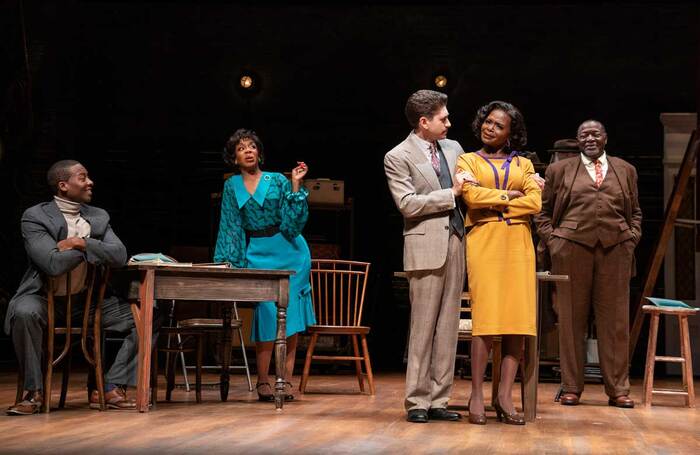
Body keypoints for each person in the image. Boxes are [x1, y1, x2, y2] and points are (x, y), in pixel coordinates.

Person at [6, 160, 147, 414]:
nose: (90, 182)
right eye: (83, 178)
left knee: (148, 314)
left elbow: (119, 255)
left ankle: (109, 385)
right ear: (63, 185)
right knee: (24, 312)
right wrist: (95, 249)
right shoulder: (35, 216)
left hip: (87, 304)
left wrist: (79, 243)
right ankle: (33, 392)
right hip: (44, 298)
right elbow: (51, 263)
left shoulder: (98, 216)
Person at [534, 120, 641, 408]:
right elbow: (542, 213)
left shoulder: (625, 169)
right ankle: (571, 386)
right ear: (577, 141)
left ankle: (618, 389)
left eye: (596, 134)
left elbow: (636, 212)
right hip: (571, 250)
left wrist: (631, 238)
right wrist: (555, 243)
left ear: (606, 138)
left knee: (615, 322)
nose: (590, 138)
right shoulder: (559, 170)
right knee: (571, 320)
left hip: (615, 249)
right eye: (584, 135)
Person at [384, 89, 473, 423]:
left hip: (455, 241)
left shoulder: (453, 148)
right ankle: (417, 401)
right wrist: (451, 194)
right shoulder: (398, 155)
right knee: (422, 327)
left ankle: (440, 398)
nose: (449, 122)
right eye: (443, 118)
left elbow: (471, 187)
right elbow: (407, 204)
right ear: (424, 121)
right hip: (424, 246)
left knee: (448, 325)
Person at [214, 128, 315, 402]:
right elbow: (230, 227)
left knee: (290, 319)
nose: (248, 150)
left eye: (252, 146)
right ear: (234, 158)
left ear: (259, 153)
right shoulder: (231, 186)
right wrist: (228, 263)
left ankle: (285, 382)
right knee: (267, 315)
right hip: (258, 253)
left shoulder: (277, 181)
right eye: (241, 148)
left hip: (291, 251)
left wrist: (295, 185)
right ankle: (262, 381)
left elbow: (292, 225)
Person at [457, 101, 542, 425]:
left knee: (516, 321)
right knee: (487, 320)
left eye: (498, 125)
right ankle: (477, 394)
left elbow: (535, 202)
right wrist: (511, 198)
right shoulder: (467, 159)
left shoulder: (524, 163)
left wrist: (493, 200)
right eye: (487, 122)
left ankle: (505, 396)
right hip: (484, 243)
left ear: (511, 133)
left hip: (518, 244)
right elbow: (471, 198)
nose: (489, 128)